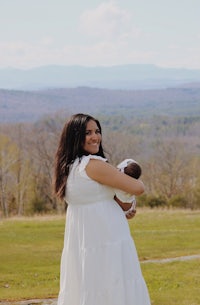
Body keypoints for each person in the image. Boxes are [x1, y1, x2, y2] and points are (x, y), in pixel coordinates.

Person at [53, 113, 151, 305]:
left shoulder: (69, 167)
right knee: (114, 284)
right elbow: (138, 188)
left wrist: (123, 205)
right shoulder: (93, 165)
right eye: (87, 132)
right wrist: (123, 173)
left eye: (97, 131)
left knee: (90, 287)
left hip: (84, 239)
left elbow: (103, 197)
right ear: (75, 136)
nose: (95, 137)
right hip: (106, 237)